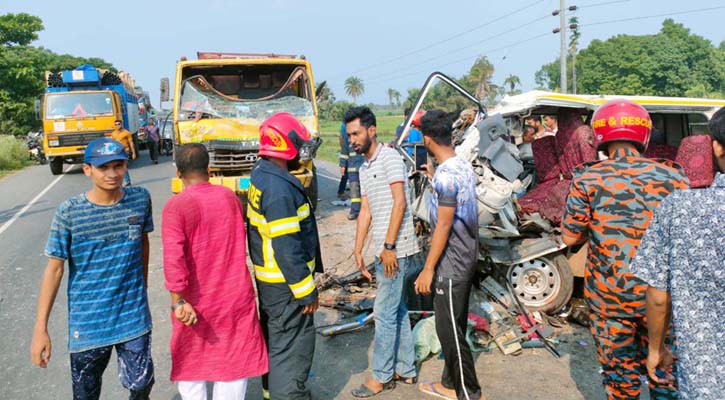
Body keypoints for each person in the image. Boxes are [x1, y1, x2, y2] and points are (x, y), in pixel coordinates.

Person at [561, 99, 689, 400]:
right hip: (661, 300)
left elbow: (569, 237)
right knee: (665, 378)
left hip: (610, 302)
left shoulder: (587, 177)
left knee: (621, 382)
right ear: (643, 134)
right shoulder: (674, 177)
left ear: (600, 135)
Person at [30, 137, 155, 399]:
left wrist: (141, 287)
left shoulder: (140, 199)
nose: (112, 174)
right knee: (86, 394)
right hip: (88, 325)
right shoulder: (70, 212)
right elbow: (54, 270)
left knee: (142, 386)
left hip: (132, 317)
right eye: (104, 167)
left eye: (118, 166)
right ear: (88, 169)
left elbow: (142, 242)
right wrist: (40, 328)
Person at [630, 107, 725, 400]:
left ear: (717, 146)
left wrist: (656, 349)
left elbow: (658, 297)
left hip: (706, 382)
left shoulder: (680, 208)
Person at [162, 143, 268, 400]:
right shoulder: (229, 198)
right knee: (232, 366)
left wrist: (178, 302)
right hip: (234, 297)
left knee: (192, 364)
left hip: (194, 302)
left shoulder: (176, 206)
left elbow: (174, 259)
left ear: (178, 172)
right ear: (209, 168)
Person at [247, 112, 323, 400]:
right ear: (284, 145)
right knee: (291, 353)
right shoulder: (279, 190)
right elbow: (287, 248)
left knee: (276, 346)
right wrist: (306, 292)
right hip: (287, 288)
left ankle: (271, 393)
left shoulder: (263, 173)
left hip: (272, 286)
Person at [344, 106, 419, 397]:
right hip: (383, 249)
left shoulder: (390, 158)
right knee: (396, 310)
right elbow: (366, 210)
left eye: (356, 133)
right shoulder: (364, 167)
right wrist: (358, 247)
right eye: (349, 134)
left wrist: (388, 247)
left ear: (371, 130)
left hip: (397, 251)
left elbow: (400, 203)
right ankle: (406, 369)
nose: (352, 139)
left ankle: (382, 376)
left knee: (383, 313)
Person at [414, 110, 482, 400]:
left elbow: (443, 223)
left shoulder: (446, 176)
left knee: (449, 331)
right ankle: (449, 384)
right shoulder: (460, 166)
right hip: (466, 257)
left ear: (427, 140)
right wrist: (432, 177)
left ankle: (470, 392)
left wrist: (428, 268)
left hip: (451, 263)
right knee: (454, 325)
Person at [340, 120, 365, 219]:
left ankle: (366, 211)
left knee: (365, 190)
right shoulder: (347, 138)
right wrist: (342, 165)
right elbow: (344, 151)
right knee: (354, 191)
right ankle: (355, 211)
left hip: (364, 167)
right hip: (352, 169)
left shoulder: (364, 136)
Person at [110, 119, 137, 186]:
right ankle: (122, 180)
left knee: (123, 166)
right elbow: (112, 144)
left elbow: (131, 143)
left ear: (121, 125)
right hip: (116, 152)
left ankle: (127, 181)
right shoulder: (113, 134)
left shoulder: (126, 133)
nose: (117, 126)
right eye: (116, 124)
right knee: (117, 167)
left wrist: (134, 153)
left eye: (119, 124)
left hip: (125, 152)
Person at [338, 122, 350, 200]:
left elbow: (340, 138)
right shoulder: (346, 126)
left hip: (347, 150)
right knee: (346, 173)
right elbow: (342, 138)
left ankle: (341, 191)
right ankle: (341, 191)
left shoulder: (343, 125)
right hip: (349, 151)